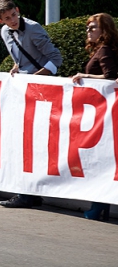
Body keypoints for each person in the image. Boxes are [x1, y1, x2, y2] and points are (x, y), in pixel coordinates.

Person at [0, 0, 62, 208]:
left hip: (40, 91)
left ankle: (29, 194)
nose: (12, 20)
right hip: (23, 91)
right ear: (0, 21)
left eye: (13, 14)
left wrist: (35, 79)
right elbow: (20, 57)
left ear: (18, 9)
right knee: (21, 143)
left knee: (34, 144)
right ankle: (27, 193)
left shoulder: (34, 28)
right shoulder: (5, 32)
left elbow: (56, 59)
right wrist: (16, 66)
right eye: (7, 18)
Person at [71, 13, 118, 220]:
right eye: (88, 28)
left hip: (104, 113)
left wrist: (86, 76)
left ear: (104, 31)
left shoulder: (104, 50)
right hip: (101, 112)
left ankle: (99, 206)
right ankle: (100, 207)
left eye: (93, 28)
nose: (88, 31)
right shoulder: (100, 50)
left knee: (102, 159)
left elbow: (111, 76)